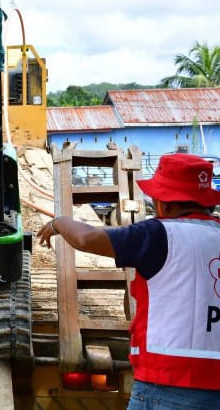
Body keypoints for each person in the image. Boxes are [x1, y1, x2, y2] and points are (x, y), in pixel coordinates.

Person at [36, 153, 220, 409]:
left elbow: (88, 239)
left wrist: (61, 222)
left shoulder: (159, 234)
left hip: (167, 383)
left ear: (162, 203)